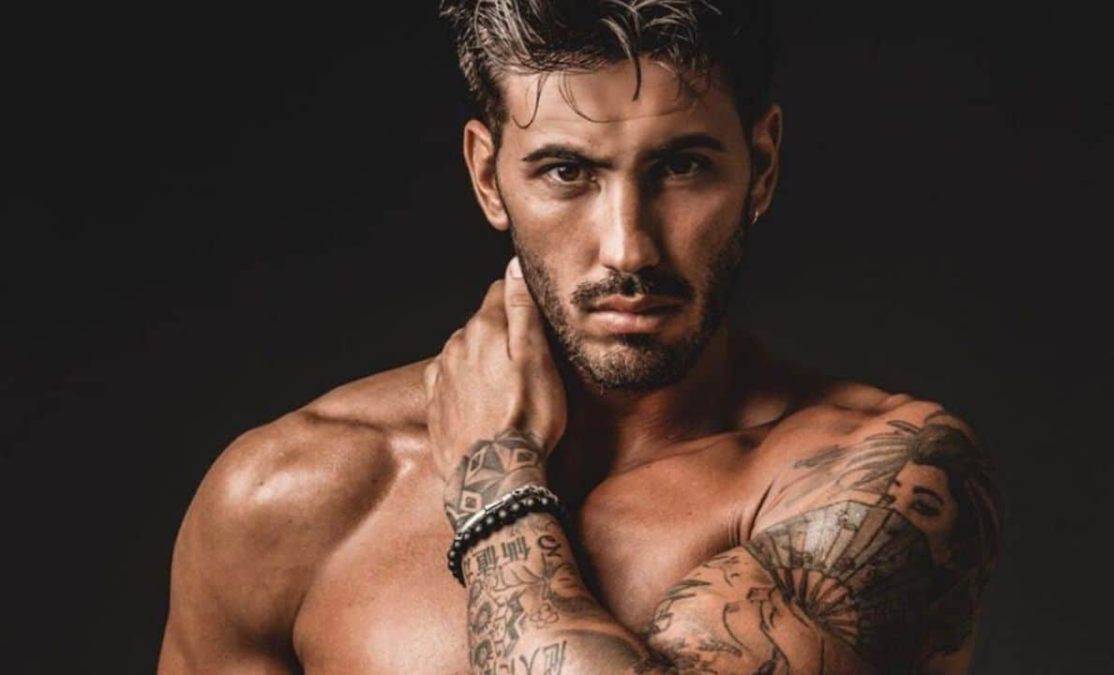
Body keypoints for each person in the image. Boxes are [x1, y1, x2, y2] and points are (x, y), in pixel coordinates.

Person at [158, 2, 1004, 673]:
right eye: (567, 171)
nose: (629, 247)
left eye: (682, 167)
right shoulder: (291, 498)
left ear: (762, 167)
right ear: (488, 176)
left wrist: (494, 489)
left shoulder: (879, 482)